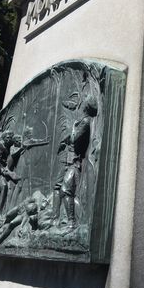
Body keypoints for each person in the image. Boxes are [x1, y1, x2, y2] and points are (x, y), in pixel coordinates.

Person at [53, 93, 98, 229]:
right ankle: (57, 220)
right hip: (69, 162)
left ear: (85, 107)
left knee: (66, 190)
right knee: (59, 188)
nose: (81, 104)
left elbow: (75, 139)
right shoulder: (81, 122)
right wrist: (64, 140)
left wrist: (72, 130)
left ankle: (71, 223)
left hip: (75, 163)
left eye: (83, 103)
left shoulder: (85, 122)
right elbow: (71, 138)